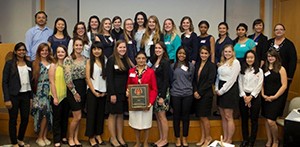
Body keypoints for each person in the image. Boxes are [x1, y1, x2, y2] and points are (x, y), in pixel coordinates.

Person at [2, 42, 33, 147]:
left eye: (23, 50)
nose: (21, 52)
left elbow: (31, 81)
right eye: (19, 50)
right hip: (13, 96)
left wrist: (31, 97)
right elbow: (4, 82)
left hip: (26, 95)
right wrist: (7, 99)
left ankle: (20, 139)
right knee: (13, 120)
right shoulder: (9, 64)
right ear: (15, 51)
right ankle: (14, 142)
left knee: (25, 119)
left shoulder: (29, 64)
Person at [126, 51, 158, 147]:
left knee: (146, 123)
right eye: (139, 58)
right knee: (135, 123)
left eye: (143, 58)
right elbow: (128, 85)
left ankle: (145, 142)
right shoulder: (131, 71)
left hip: (146, 102)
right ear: (135, 59)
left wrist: (150, 102)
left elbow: (154, 89)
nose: (141, 60)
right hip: (134, 102)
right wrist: (127, 92)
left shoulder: (151, 72)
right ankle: (138, 142)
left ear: (146, 60)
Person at [267, 23, 297, 117]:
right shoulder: (269, 42)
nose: (278, 31)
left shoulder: (289, 44)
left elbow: (293, 60)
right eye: (276, 29)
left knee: (281, 95)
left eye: (281, 29)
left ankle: (278, 114)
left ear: (284, 31)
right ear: (274, 31)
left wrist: (289, 76)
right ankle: (268, 113)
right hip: (270, 73)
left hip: (283, 75)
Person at [105, 40, 132, 147]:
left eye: (124, 47)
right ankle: (113, 138)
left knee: (120, 114)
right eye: (120, 47)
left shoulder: (126, 60)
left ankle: (120, 137)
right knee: (113, 114)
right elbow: (109, 78)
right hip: (114, 92)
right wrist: (112, 93)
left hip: (123, 92)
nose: (122, 49)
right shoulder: (111, 60)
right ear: (116, 48)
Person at [64, 38, 87, 147]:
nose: (78, 47)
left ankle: (76, 138)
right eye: (76, 45)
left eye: (80, 45)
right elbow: (67, 78)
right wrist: (74, 92)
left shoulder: (86, 59)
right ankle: (70, 137)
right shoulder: (68, 59)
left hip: (83, 88)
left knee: (79, 116)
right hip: (73, 89)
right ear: (73, 46)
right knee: (76, 116)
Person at [261, 49, 287, 147]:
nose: (270, 58)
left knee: (271, 121)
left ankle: (276, 140)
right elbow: (261, 83)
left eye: (272, 56)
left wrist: (275, 97)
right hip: (266, 97)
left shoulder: (281, 69)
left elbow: (284, 85)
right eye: (268, 56)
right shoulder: (265, 68)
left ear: (276, 57)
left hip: (277, 98)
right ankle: (269, 139)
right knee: (266, 119)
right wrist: (263, 95)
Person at [215, 44, 240, 144]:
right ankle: (224, 138)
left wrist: (222, 91)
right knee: (223, 115)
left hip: (229, 89)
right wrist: (217, 88)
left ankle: (229, 139)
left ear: (233, 52)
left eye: (229, 51)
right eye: (225, 51)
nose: (227, 53)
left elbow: (232, 80)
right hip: (220, 88)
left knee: (228, 115)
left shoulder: (236, 62)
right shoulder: (222, 62)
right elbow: (218, 76)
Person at [170, 46, 195, 147]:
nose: (181, 55)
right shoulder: (172, 66)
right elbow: (171, 79)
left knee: (185, 117)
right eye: (180, 53)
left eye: (184, 54)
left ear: (186, 55)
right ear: (177, 54)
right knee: (176, 117)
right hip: (175, 94)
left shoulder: (191, 66)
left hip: (187, 94)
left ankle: (184, 138)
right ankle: (177, 138)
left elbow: (192, 79)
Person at [238, 50, 263, 147]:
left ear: (255, 59)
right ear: (245, 59)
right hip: (243, 96)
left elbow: (259, 85)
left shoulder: (259, 71)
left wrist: (251, 97)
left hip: (255, 97)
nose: (249, 59)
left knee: (254, 119)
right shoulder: (242, 70)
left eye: (251, 57)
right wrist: (244, 96)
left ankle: (252, 141)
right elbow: (240, 83)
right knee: (244, 119)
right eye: (248, 58)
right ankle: (245, 139)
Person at [193, 46, 216, 147]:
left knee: (204, 117)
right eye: (202, 53)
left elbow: (210, 81)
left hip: (206, 95)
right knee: (200, 118)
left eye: (206, 53)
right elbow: (194, 79)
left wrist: (200, 92)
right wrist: (195, 91)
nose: (203, 55)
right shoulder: (197, 65)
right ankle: (203, 137)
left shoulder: (211, 66)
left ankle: (208, 137)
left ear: (209, 54)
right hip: (197, 94)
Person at [31, 43, 54, 146]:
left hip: (49, 90)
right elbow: (32, 80)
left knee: (48, 113)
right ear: (39, 52)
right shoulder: (35, 63)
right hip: (40, 92)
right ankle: (39, 137)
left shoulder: (52, 62)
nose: (44, 52)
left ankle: (44, 136)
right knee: (42, 114)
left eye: (46, 50)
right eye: (42, 50)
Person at [85, 42, 107, 147]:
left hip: (103, 92)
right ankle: (91, 137)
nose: (96, 51)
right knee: (91, 115)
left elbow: (107, 77)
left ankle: (98, 134)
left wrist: (104, 92)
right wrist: (94, 91)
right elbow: (87, 78)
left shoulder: (105, 61)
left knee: (100, 115)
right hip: (92, 91)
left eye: (99, 49)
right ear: (92, 50)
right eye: (94, 49)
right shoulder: (89, 62)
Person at [49, 45, 69, 147]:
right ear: (56, 54)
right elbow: (52, 82)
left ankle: (63, 136)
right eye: (58, 52)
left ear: (66, 53)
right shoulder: (53, 65)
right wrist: (55, 97)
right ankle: (56, 139)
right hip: (56, 95)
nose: (60, 54)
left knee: (65, 117)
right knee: (57, 119)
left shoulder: (67, 65)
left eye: (62, 52)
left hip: (66, 95)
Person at [151, 42, 170, 147]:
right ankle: (161, 138)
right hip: (155, 91)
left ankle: (165, 140)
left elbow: (166, 79)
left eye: (160, 48)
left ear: (163, 50)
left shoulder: (165, 62)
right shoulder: (155, 60)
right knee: (158, 116)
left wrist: (162, 96)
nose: (157, 50)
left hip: (162, 92)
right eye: (156, 48)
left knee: (162, 116)